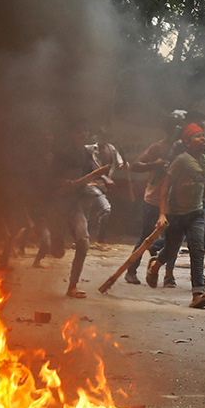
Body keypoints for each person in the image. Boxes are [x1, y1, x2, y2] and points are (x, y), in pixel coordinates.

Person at [155, 123, 205, 309]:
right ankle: (156, 265)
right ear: (187, 142)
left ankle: (197, 294)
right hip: (175, 213)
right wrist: (161, 214)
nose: (203, 139)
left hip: (196, 213)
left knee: (197, 250)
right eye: (197, 136)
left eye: (203, 135)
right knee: (170, 250)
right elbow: (165, 186)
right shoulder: (181, 160)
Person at [124, 118, 181, 285]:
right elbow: (135, 165)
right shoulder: (158, 148)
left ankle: (157, 254)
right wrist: (154, 164)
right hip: (154, 200)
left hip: (173, 202)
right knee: (145, 236)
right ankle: (131, 271)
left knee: (174, 237)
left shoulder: (183, 150)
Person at [45, 123, 98, 299]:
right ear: (72, 134)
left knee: (83, 242)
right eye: (79, 130)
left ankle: (72, 286)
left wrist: (105, 179)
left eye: (85, 130)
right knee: (58, 252)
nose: (84, 133)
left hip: (75, 206)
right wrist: (64, 182)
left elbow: (94, 172)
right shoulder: (60, 155)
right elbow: (47, 180)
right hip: (57, 207)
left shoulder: (87, 154)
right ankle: (54, 239)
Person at [83, 130, 125, 248]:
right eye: (101, 136)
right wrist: (105, 178)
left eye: (106, 137)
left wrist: (124, 165)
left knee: (91, 214)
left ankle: (82, 239)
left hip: (103, 187)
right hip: (90, 184)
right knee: (105, 209)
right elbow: (90, 168)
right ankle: (99, 241)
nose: (102, 139)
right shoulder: (89, 149)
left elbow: (119, 163)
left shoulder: (112, 149)